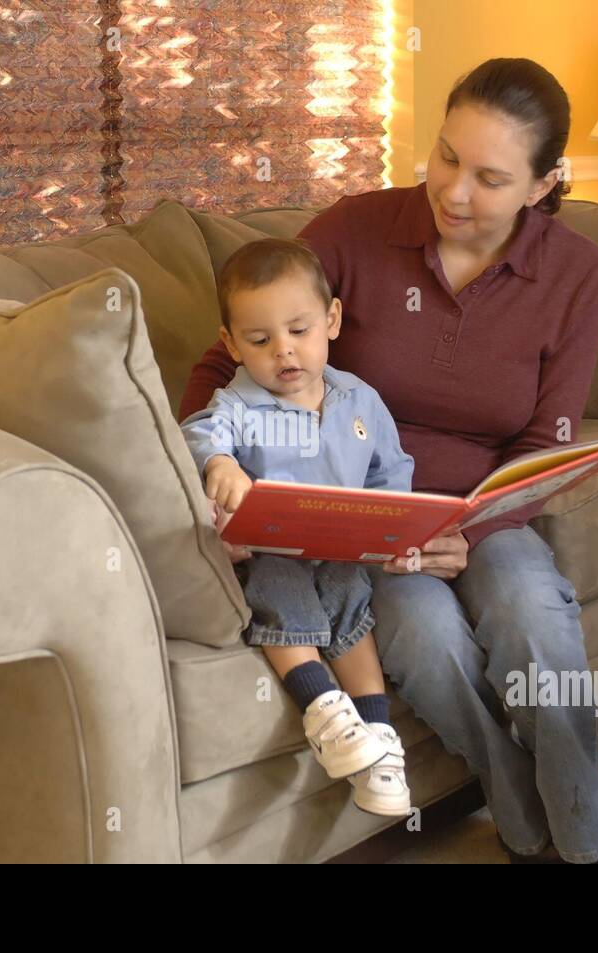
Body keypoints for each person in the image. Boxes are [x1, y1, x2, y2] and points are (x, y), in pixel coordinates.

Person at [179, 58, 598, 862]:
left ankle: (589, 842)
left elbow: (548, 437)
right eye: (446, 156)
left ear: (545, 183)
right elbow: (228, 358)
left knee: (533, 619)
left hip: (485, 510)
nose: (453, 192)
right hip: (368, 513)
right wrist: (214, 469)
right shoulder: (353, 229)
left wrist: (478, 527)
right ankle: (518, 810)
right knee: (424, 638)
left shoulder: (579, 274)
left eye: (489, 177)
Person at [179, 237, 416, 816]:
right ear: (232, 345)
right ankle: (324, 711)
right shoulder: (237, 404)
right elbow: (198, 433)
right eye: (260, 341)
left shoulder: (360, 400)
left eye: (299, 332)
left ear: (332, 321)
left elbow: (393, 471)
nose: (283, 352)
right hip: (270, 550)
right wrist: (222, 463)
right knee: (281, 589)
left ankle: (379, 738)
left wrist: (395, 529)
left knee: (350, 604)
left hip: (341, 549)